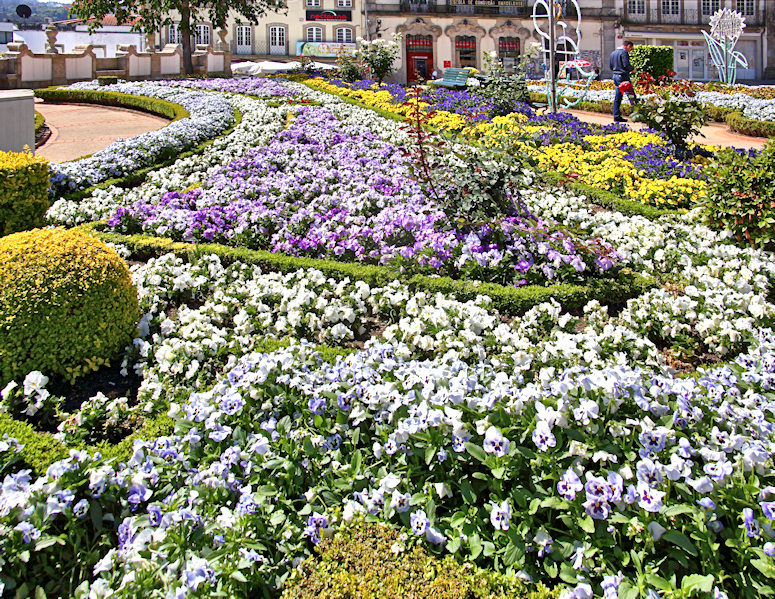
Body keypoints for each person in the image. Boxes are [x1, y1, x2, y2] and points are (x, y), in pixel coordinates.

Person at [609, 40, 635, 123]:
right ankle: (638, 114)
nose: (630, 51)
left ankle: (616, 116)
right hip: (623, 76)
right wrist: (633, 69)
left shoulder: (613, 53)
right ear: (628, 46)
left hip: (615, 76)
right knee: (631, 95)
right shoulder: (624, 53)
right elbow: (626, 65)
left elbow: (611, 66)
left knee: (618, 97)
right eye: (631, 48)